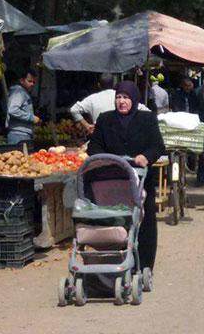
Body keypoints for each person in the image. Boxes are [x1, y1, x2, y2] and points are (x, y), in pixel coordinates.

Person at [87, 81, 165, 272]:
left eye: (126, 98)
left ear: (135, 99)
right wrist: (106, 159)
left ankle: (144, 265)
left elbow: (158, 146)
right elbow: (93, 146)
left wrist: (145, 157)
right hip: (112, 179)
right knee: (114, 220)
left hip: (141, 180)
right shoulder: (105, 119)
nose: (122, 102)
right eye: (119, 97)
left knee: (144, 219)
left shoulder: (147, 119)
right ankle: (113, 261)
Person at [70, 73, 148, 134]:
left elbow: (74, 109)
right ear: (114, 84)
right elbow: (146, 111)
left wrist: (87, 126)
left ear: (98, 85)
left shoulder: (92, 99)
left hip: (100, 138)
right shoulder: (122, 98)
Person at [6, 70, 41, 145]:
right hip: (18, 135)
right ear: (22, 81)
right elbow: (13, 110)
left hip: (23, 134)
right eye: (29, 81)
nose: (32, 84)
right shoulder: (18, 93)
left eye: (33, 82)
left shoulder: (24, 93)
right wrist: (31, 118)